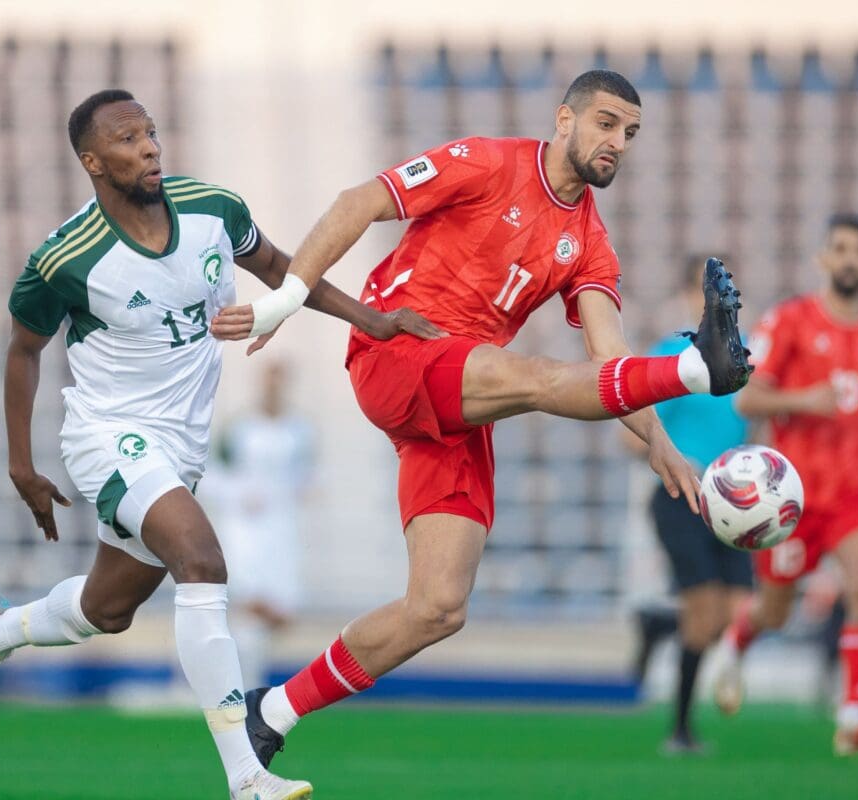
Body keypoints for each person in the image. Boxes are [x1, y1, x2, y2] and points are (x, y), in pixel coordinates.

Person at [208, 69, 754, 766]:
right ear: (566, 120)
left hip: (460, 401)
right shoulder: (489, 161)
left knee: (437, 607)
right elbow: (360, 201)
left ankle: (274, 709)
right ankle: (698, 367)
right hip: (401, 350)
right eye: (607, 123)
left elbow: (610, 355)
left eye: (631, 133)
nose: (619, 141)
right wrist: (287, 296)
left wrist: (660, 441)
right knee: (532, 377)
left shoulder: (590, 241)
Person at [0, 89, 439, 800]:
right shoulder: (66, 258)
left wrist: (372, 319)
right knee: (202, 563)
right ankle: (247, 775)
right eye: (126, 139)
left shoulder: (213, 209)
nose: (148, 146)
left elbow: (280, 269)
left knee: (105, 611)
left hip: (180, 442)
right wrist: (21, 465)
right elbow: (24, 350)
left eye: (149, 132)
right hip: (107, 434)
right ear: (92, 160)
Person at [704, 212, 858, 756]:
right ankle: (737, 640)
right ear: (823, 258)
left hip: (857, 487)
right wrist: (804, 400)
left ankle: (854, 709)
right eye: (839, 248)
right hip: (792, 498)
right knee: (776, 610)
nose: (849, 259)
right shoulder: (790, 321)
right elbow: (748, 398)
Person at [622, 254, 754, 755]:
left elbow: (749, 421)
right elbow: (634, 436)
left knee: (736, 612)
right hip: (683, 495)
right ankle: (680, 730)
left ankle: (660, 625)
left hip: (734, 499)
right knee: (703, 610)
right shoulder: (673, 355)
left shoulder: (743, 354)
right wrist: (679, 457)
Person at [211, 361, 316, 687]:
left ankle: (249, 686)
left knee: (276, 610)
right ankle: (234, 687)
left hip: (282, 528)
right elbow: (213, 473)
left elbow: (310, 474)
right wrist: (239, 495)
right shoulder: (239, 428)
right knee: (245, 603)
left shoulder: (300, 429)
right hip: (244, 528)